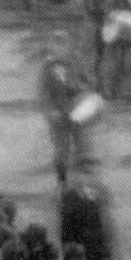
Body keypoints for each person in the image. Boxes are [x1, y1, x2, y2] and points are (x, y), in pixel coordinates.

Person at [39, 37, 94, 185]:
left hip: (76, 111)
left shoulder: (75, 63)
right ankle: (62, 182)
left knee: (83, 147)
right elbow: (43, 93)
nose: (60, 49)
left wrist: (82, 91)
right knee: (61, 152)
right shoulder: (47, 67)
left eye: (63, 45)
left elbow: (87, 82)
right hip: (58, 114)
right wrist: (50, 111)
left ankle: (83, 183)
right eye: (56, 45)